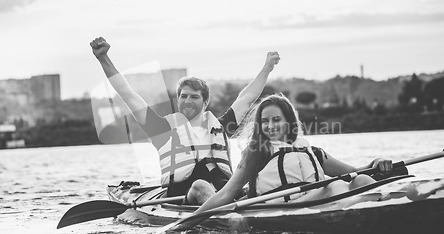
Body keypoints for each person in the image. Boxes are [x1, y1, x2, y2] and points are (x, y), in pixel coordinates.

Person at [90, 37, 281, 205]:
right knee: (200, 186)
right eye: (183, 96)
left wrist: (267, 68)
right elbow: (127, 94)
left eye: (194, 97)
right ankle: (227, 217)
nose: (187, 101)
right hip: (185, 195)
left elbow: (246, 98)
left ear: (205, 102)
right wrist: (103, 58)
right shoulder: (161, 129)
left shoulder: (220, 126)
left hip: (226, 192)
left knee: (257, 182)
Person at [189, 94, 393, 218]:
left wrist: (376, 163)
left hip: (318, 201)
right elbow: (227, 194)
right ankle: (193, 196)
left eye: (276, 120)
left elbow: (356, 173)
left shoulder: (310, 151)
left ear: (289, 122)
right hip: (277, 208)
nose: (270, 126)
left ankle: (389, 208)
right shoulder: (256, 153)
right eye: (265, 121)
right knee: (200, 185)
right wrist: (191, 220)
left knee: (364, 179)